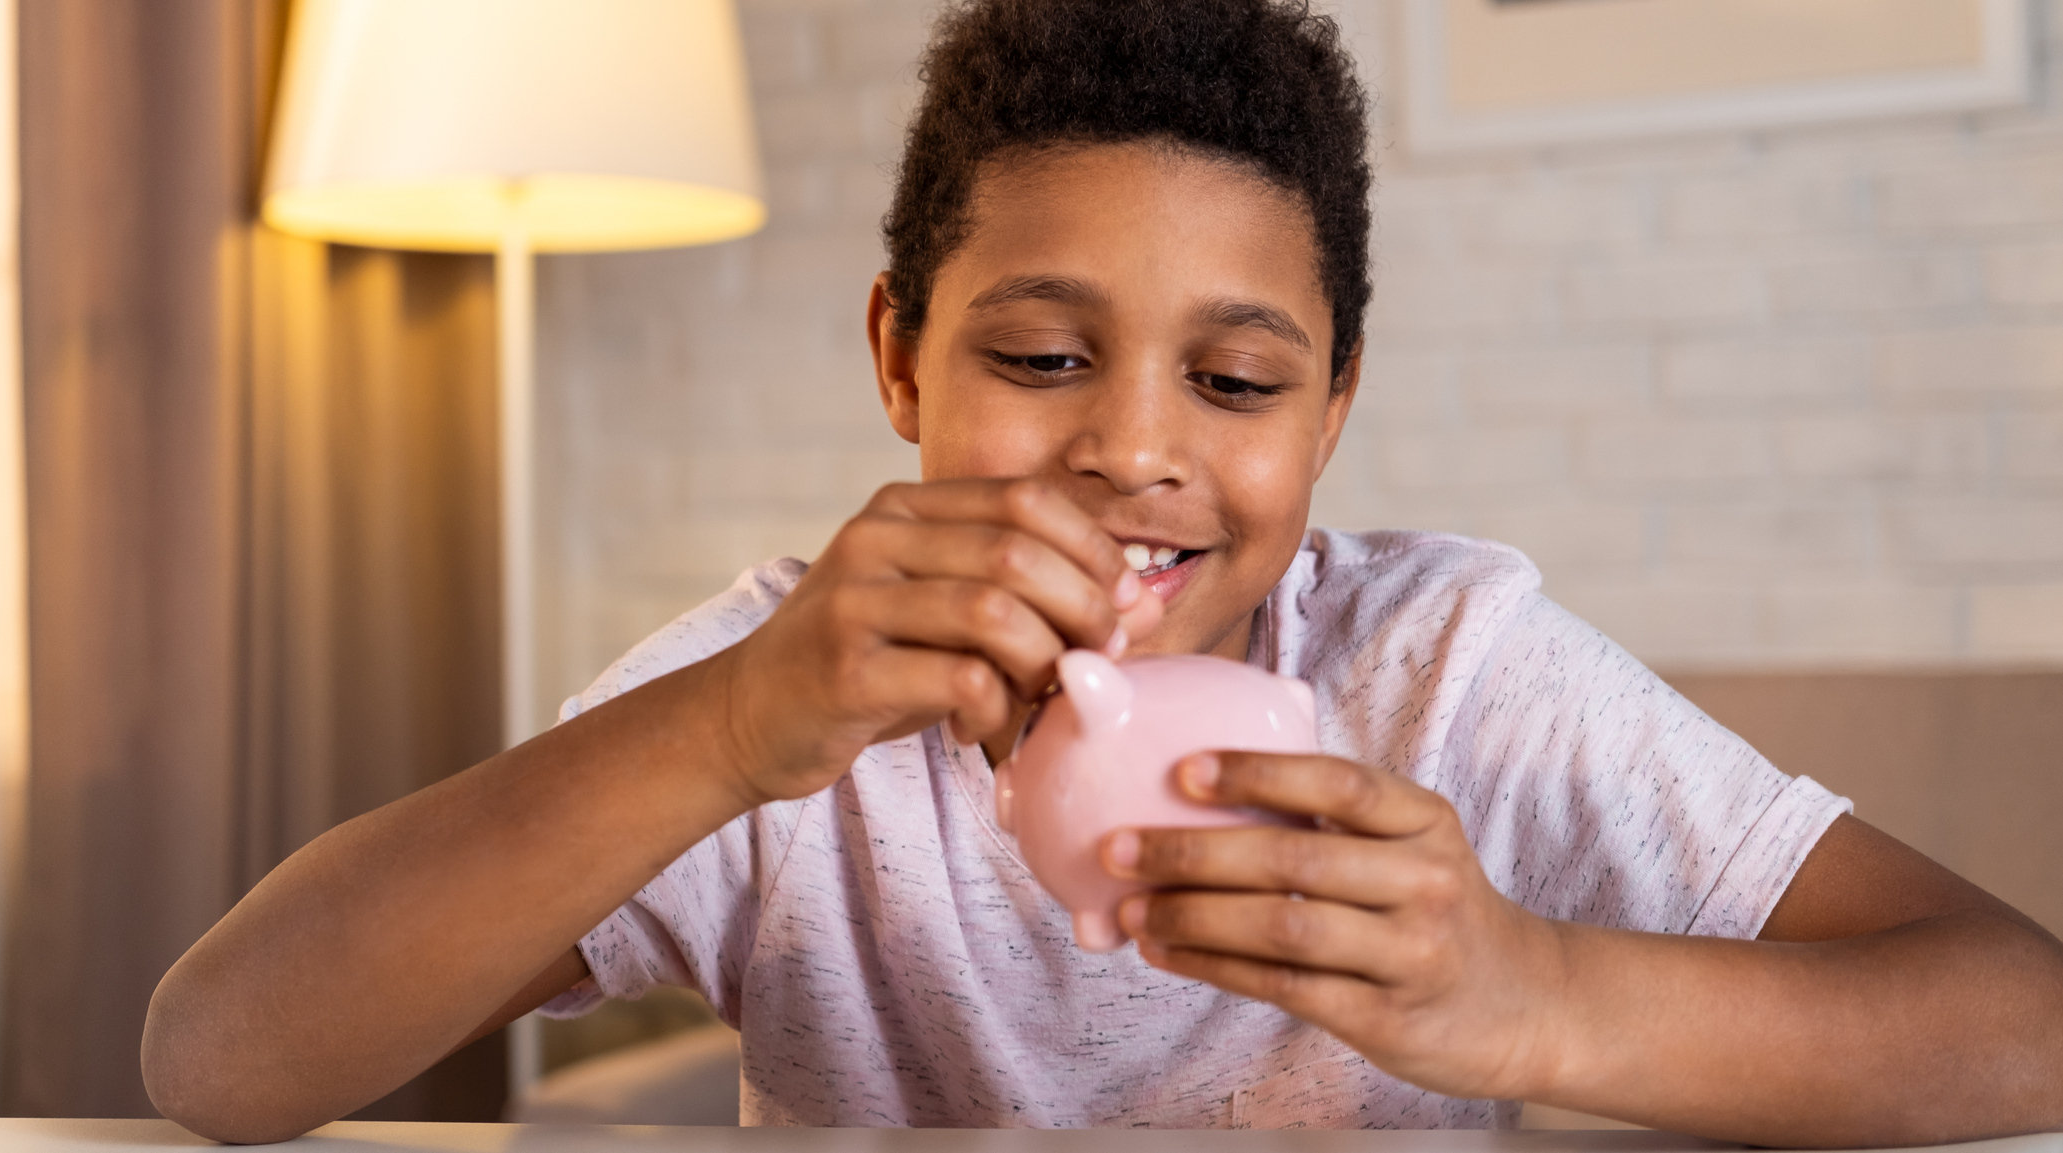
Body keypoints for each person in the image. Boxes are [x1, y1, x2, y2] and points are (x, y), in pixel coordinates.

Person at [142, 0, 2063, 1144]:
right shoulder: (781, 697)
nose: (1132, 444)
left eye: (1231, 382)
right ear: (900, 358)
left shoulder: (1448, 672)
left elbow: (2016, 1010)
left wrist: (1530, 992)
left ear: (1327, 414)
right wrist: (724, 727)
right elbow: (222, 1057)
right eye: (1040, 356)